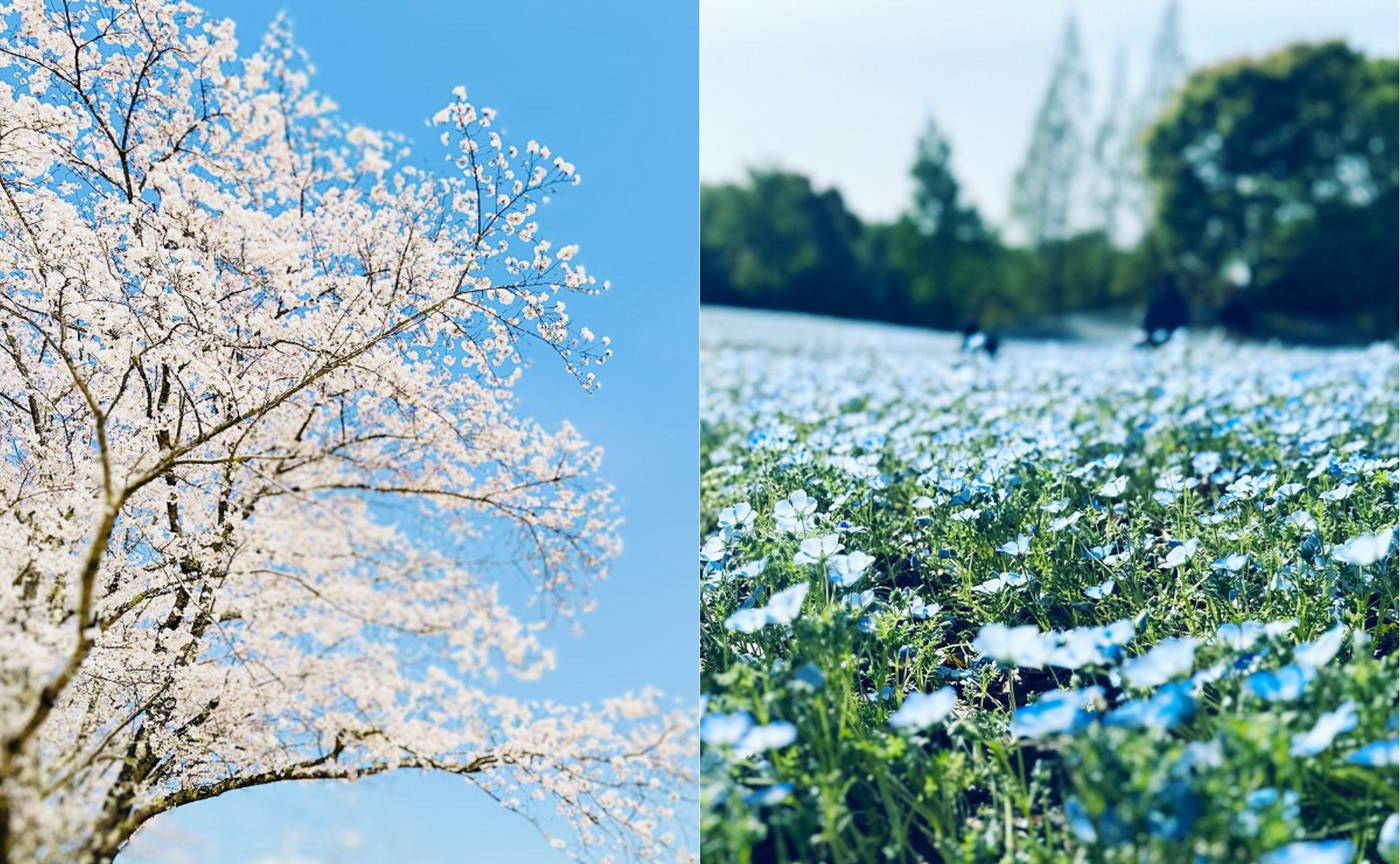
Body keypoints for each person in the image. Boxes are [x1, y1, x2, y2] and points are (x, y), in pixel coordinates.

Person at [1140, 274, 1189, 347]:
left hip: (1173, 330)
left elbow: (1182, 317)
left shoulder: (1177, 298)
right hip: (1158, 330)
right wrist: (1149, 332)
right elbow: (1150, 317)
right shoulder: (1156, 297)